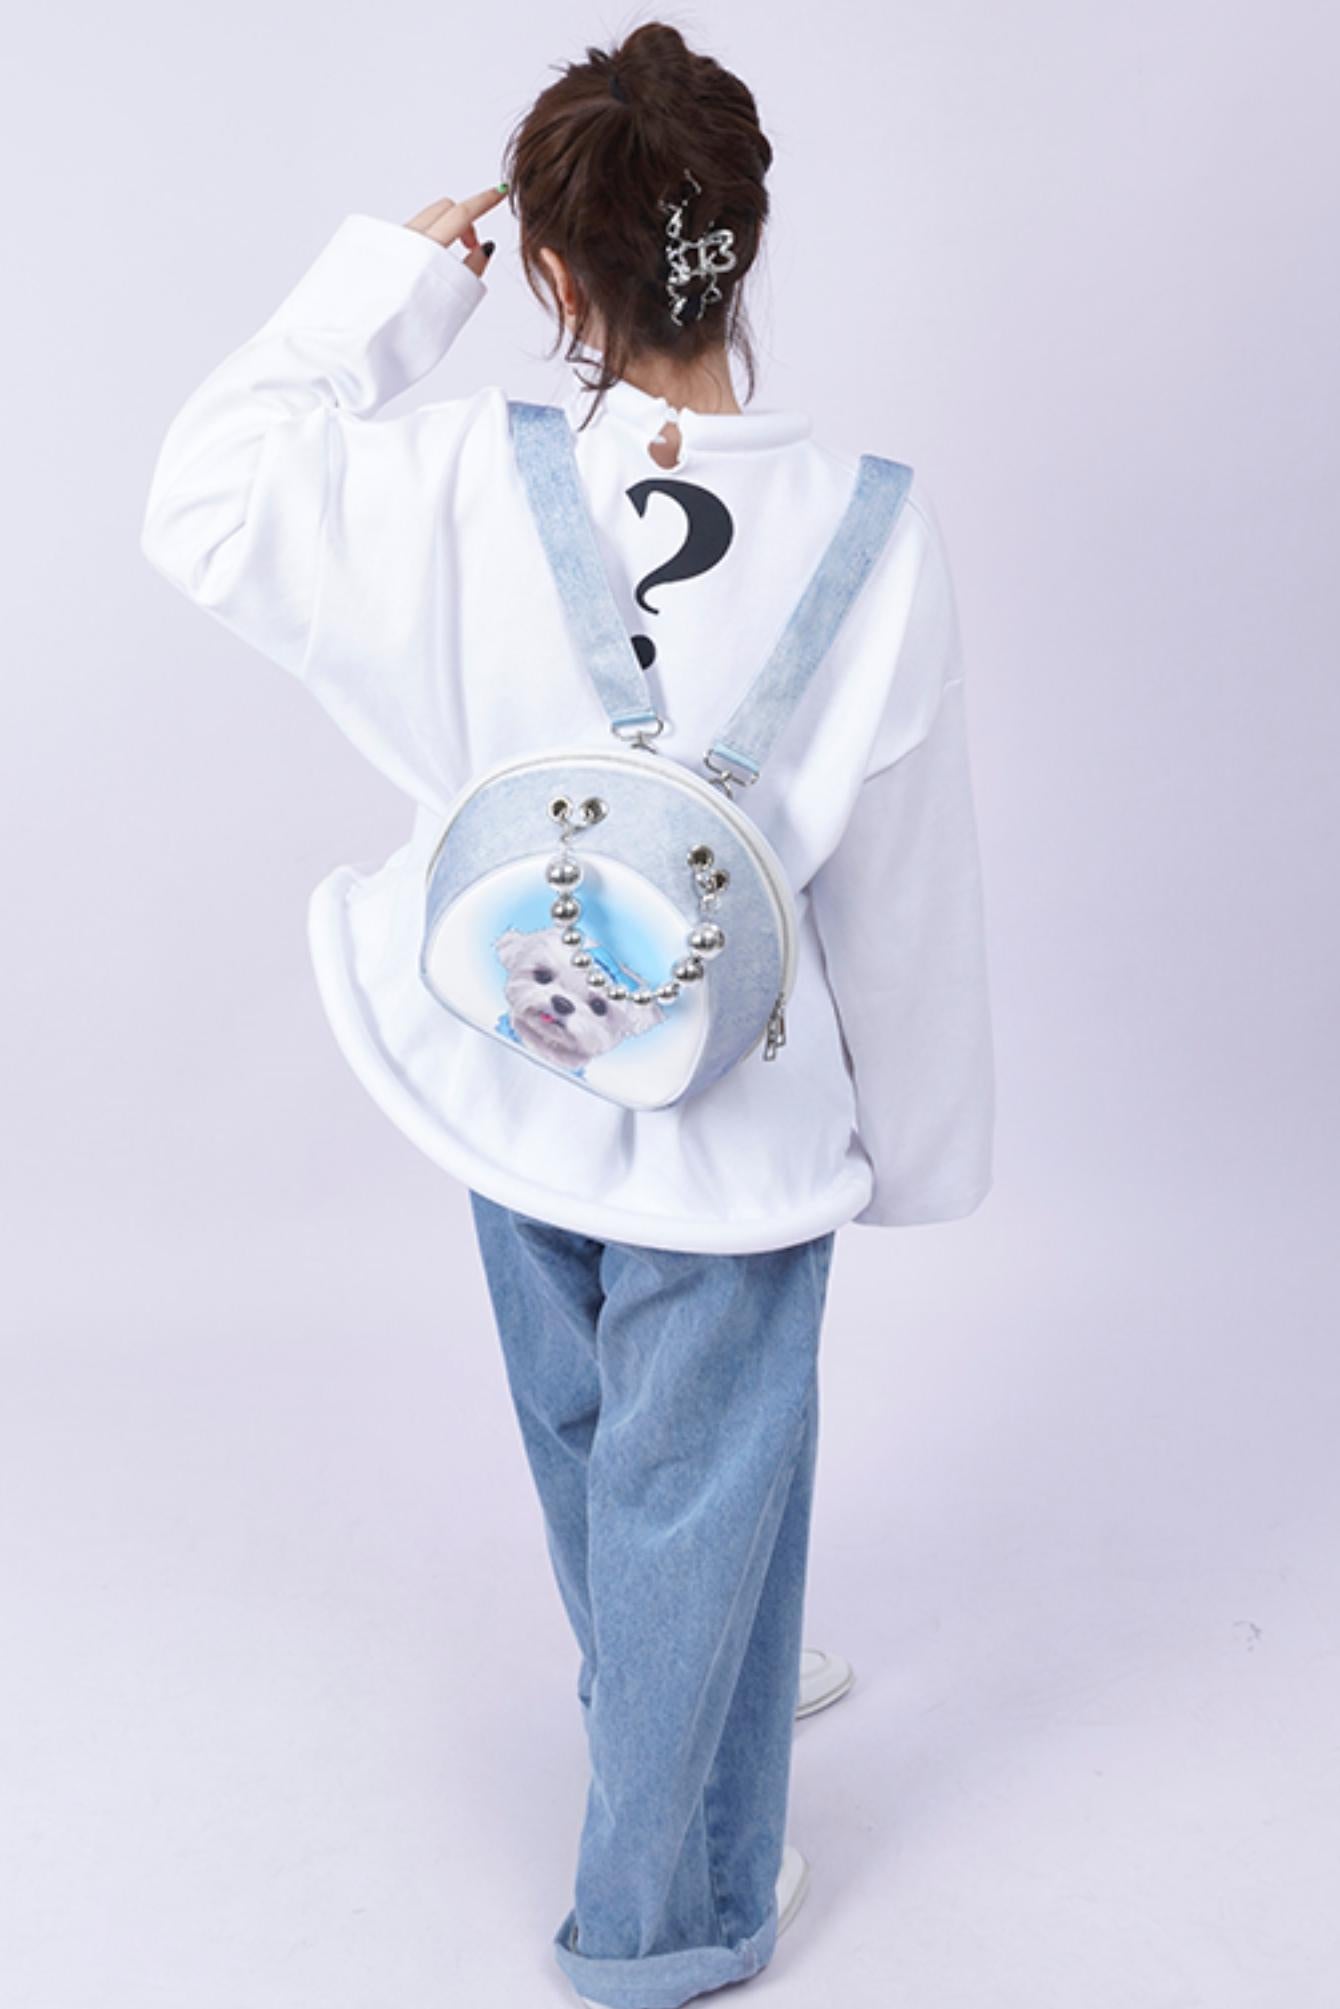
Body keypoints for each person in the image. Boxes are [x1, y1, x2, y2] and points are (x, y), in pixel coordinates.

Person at [139, 21, 995, 2008]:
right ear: (742, 244)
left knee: (597, 1434)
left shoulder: (459, 479)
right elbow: (905, 881)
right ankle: (664, 1918)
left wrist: (389, 294)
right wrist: (916, 1149)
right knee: (701, 1466)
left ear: (551, 272)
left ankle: (682, 1665)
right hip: (736, 1115)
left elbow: (206, 499)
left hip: (514, 1063)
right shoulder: (873, 525)